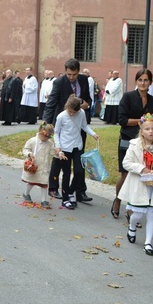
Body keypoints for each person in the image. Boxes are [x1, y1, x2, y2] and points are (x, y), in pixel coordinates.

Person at [113, 69, 153, 223]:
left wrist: (149, 123)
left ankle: (131, 209)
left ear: (150, 82)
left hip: (146, 142)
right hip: (128, 139)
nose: (143, 83)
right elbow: (122, 119)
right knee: (126, 174)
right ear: (136, 81)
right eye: (140, 80)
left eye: (146, 80)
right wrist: (142, 120)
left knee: (140, 175)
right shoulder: (128, 97)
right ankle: (117, 200)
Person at [118, 114, 153, 256]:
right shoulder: (134, 145)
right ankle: (132, 226)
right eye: (147, 129)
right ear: (141, 130)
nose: (151, 132)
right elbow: (126, 163)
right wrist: (141, 169)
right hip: (139, 185)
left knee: (152, 214)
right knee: (138, 213)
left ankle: (148, 242)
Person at [43, 58, 93, 202]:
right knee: (59, 157)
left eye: (74, 74)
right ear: (65, 71)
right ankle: (53, 187)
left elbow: (88, 100)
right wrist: (46, 124)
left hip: (79, 124)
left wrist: (86, 105)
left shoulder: (84, 80)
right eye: (69, 74)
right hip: (63, 124)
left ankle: (79, 190)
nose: (71, 77)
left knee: (79, 159)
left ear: (79, 72)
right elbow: (51, 103)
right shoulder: (59, 82)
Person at [52, 96, 99, 210]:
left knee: (79, 171)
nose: (72, 114)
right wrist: (58, 148)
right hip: (65, 147)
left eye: (74, 112)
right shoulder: (61, 116)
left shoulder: (81, 113)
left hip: (77, 145)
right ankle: (65, 199)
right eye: (70, 111)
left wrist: (93, 134)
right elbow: (56, 133)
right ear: (66, 107)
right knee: (66, 173)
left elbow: (84, 125)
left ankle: (70, 191)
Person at [21, 122, 56, 208]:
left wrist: (59, 154)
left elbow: (53, 152)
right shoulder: (33, 141)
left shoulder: (50, 143)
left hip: (44, 167)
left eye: (48, 137)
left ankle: (44, 200)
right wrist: (29, 154)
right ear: (41, 132)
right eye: (45, 136)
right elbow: (25, 149)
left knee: (44, 184)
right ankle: (26, 193)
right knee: (31, 181)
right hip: (34, 166)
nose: (46, 139)